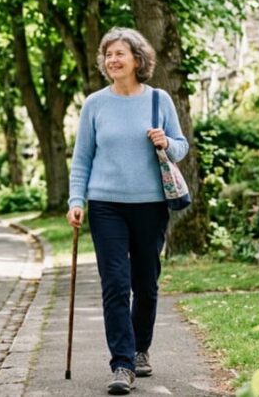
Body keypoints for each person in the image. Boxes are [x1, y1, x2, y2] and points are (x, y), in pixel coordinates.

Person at [66, 27, 189, 395]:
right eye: (108, 54)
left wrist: (166, 141)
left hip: (151, 205)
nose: (113, 60)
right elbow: (82, 158)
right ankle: (121, 364)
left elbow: (181, 147)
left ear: (138, 59)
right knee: (116, 284)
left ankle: (140, 349)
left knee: (145, 285)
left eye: (120, 53)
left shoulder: (158, 100)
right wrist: (76, 200)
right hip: (106, 206)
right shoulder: (95, 104)